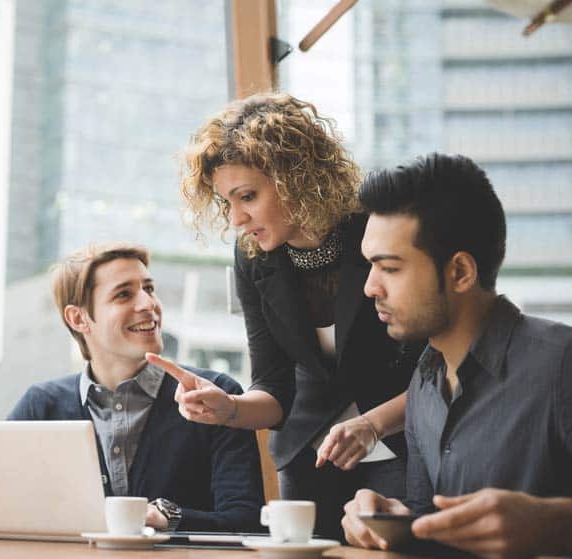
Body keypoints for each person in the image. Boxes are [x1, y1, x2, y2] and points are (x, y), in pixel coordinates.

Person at [146, 93, 423, 540]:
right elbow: (275, 383)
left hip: (404, 445)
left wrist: (373, 424)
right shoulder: (253, 255)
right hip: (309, 456)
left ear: (297, 177)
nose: (236, 218)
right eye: (226, 203)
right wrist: (229, 408)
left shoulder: (379, 227)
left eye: (248, 196)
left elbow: (439, 369)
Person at [341, 153, 572, 558]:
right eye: (371, 266)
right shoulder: (424, 382)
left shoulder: (570, 365)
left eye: (390, 268)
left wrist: (559, 524)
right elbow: (434, 527)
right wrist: (394, 520)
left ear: (460, 272)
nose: (370, 288)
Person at [8, 243, 264, 532]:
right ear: (78, 318)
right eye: (123, 294)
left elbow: (247, 521)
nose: (148, 304)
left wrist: (169, 517)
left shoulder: (215, 395)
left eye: (149, 289)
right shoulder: (40, 406)